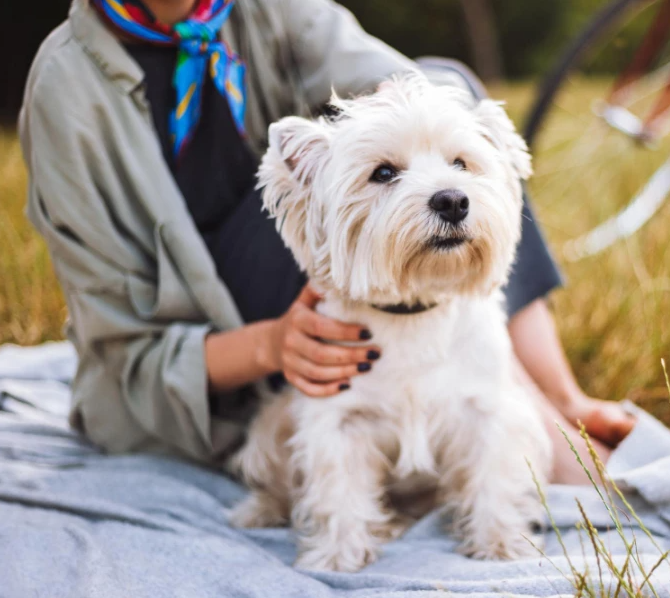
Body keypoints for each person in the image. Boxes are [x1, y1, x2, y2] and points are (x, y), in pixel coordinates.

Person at [19, 0, 633, 484]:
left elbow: (400, 84)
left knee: (448, 96)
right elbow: (124, 350)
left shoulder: (264, 8)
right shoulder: (64, 92)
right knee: (323, 199)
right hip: (210, 347)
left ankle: (554, 395)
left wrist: (412, 145)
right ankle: (535, 434)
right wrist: (272, 345)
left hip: (305, 278)